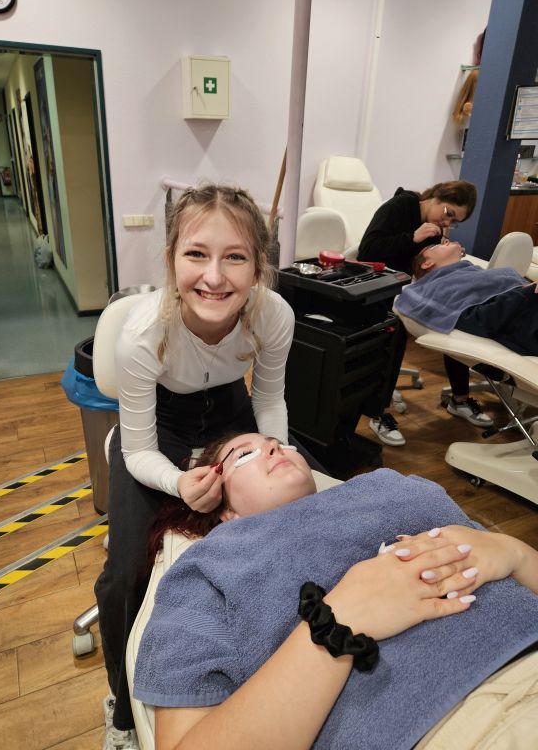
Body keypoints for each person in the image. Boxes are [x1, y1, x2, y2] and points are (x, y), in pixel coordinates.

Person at [134, 432, 538, 750]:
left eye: (278, 443)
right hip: (462, 729)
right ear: (226, 509)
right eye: (245, 454)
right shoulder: (207, 569)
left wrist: (513, 552)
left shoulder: (392, 486)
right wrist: (336, 623)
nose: (274, 448)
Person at [95, 184, 302, 750]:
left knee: (282, 526)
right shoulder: (143, 335)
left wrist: (274, 453)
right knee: (125, 574)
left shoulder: (274, 315)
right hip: (159, 423)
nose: (214, 276)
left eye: (234, 256)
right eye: (196, 254)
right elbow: (138, 451)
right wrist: (179, 483)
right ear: (171, 260)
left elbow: (270, 400)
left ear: (258, 266)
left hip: (230, 409)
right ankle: (121, 708)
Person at [357, 180, 493, 447]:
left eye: (455, 221)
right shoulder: (400, 207)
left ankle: (460, 399)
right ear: (437, 197)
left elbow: (426, 266)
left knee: (454, 320)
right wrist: (412, 238)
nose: (447, 223)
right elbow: (367, 250)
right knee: (394, 331)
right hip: (377, 287)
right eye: (448, 213)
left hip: (411, 288)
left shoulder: (435, 228)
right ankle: (378, 413)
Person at [396, 239, 538, 355]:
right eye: (436, 246)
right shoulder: (441, 288)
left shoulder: (470, 276)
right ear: (427, 263)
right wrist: (529, 292)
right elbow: (483, 320)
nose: (446, 241)